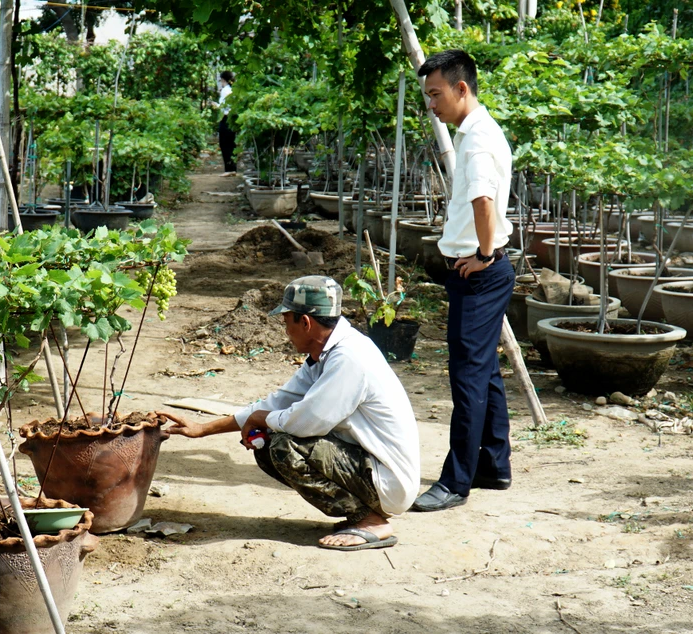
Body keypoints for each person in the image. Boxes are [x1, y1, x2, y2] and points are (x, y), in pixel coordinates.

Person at [159, 276, 420, 551]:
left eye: (287, 323)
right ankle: (364, 514)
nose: (286, 332)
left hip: (387, 480)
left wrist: (261, 419)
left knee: (286, 444)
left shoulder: (349, 358)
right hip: (370, 466)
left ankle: (372, 522)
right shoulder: (328, 351)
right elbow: (280, 401)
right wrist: (203, 428)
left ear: (305, 322)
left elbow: (307, 423)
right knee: (269, 442)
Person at [410, 50, 515, 513]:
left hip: (480, 273)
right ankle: (493, 464)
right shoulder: (481, 133)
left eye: (435, 94)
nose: (431, 105)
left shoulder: (475, 142)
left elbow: (482, 204)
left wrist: (485, 255)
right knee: (484, 370)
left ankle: (455, 482)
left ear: (461, 89)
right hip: (479, 271)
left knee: (467, 376)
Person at [216, 71, 237, 175]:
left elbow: (224, 107)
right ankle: (232, 167)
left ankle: (229, 169)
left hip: (225, 118)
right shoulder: (233, 90)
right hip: (232, 119)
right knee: (231, 144)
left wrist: (216, 105)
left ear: (223, 80)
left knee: (225, 144)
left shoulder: (225, 90)